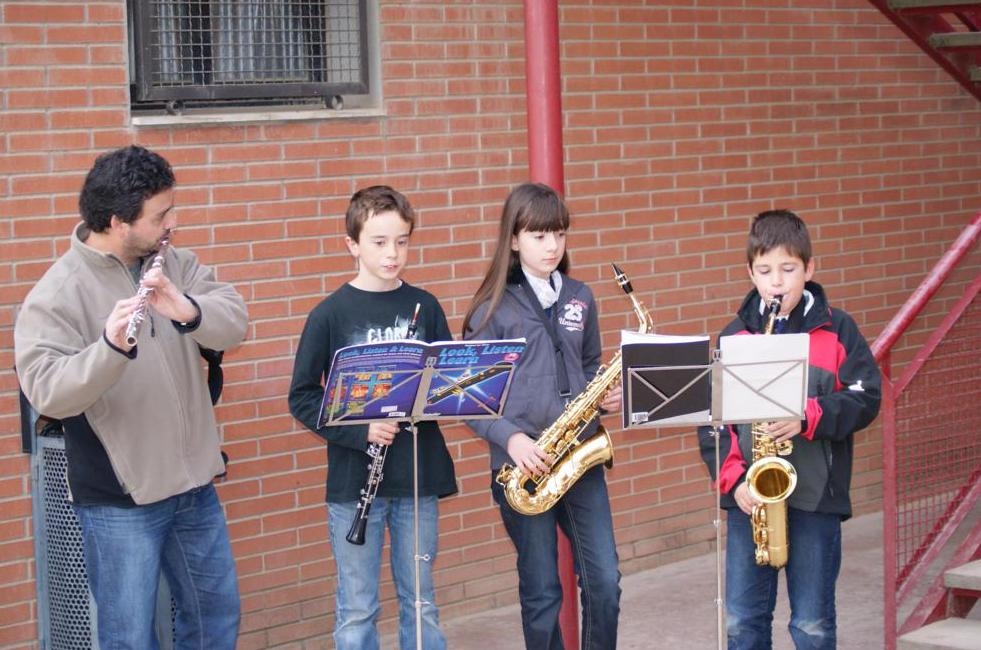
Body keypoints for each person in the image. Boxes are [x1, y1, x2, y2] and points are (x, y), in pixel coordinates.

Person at [14, 145, 248, 649]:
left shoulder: (173, 263)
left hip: (194, 487)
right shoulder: (56, 294)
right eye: (161, 214)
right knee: (127, 638)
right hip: (123, 502)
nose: (173, 222)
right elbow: (49, 392)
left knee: (215, 621)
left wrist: (187, 310)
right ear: (120, 221)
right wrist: (110, 349)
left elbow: (234, 321)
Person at [696, 209, 882, 650]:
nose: (776, 282)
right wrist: (734, 481)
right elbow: (713, 424)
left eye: (788, 269)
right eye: (764, 271)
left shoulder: (839, 330)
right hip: (750, 503)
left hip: (817, 500)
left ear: (809, 269)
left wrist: (807, 417)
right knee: (743, 622)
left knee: (812, 625)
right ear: (750, 272)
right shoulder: (735, 338)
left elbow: (866, 398)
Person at [288, 185, 457, 650]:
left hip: (417, 476)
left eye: (402, 241)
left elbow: (447, 385)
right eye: (379, 242)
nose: (393, 253)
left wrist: (435, 395)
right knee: (358, 606)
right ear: (353, 245)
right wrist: (361, 431)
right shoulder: (329, 314)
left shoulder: (426, 305)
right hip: (353, 482)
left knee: (421, 601)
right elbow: (302, 397)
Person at [461, 182, 622, 650]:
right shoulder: (489, 309)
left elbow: (590, 363)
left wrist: (605, 395)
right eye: (538, 235)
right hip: (521, 464)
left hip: (580, 456)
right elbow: (470, 397)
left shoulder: (580, 296)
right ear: (513, 239)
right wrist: (511, 439)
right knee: (542, 593)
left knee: (605, 583)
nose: (552, 246)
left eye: (559, 234)